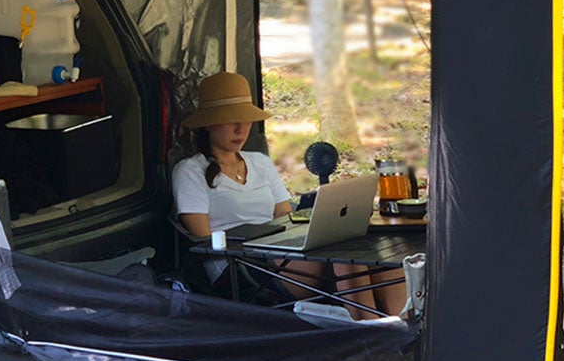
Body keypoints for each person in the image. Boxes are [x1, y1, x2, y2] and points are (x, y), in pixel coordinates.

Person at [172, 72, 404, 318]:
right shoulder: (190, 171)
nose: (241, 129)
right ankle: (370, 329)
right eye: (231, 121)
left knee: (365, 247)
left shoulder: (259, 162)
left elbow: (285, 217)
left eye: (246, 120)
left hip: (277, 253)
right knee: (341, 251)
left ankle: (402, 323)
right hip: (236, 265)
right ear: (209, 124)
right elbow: (203, 239)